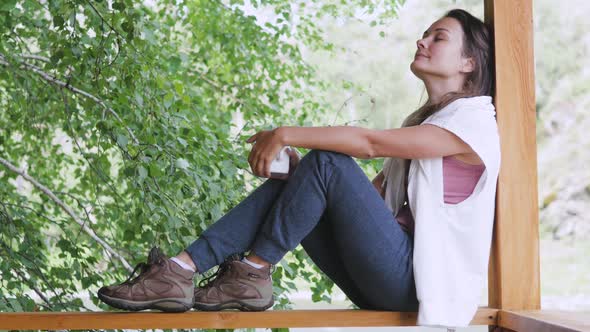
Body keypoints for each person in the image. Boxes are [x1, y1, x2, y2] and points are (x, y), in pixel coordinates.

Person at [98, 8, 499, 328]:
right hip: (381, 279)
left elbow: (369, 143)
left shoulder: (474, 121)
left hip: (416, 285)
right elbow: (366, 201)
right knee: (307, 174)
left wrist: (287, 134)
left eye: (438, 37)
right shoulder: (427, 123)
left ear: (468, 62)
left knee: (327, 160)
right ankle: (180, 269)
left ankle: (252, 272)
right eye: (425, 33)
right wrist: (299, 174)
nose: (422, 40)